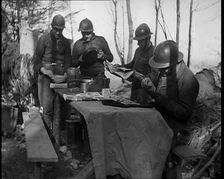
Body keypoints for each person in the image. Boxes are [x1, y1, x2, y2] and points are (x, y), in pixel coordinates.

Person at [140, 40, 199, 135]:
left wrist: (155, 95)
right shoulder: (168, 71)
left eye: (164, 68)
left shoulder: (188, 80)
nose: (161, 71)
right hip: (160, 124)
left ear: (176, 62)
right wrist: (150, 85)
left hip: (175, 132)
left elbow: (183, 114)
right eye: (160, 68)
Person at [33, 14, 72, 141]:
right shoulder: (43, 39)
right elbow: (36, 60)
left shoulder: (66, 42)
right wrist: (45, 71)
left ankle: (56, 138)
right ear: (51, 27)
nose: (58, 32)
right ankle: (46, 140)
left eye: (60, 30)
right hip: (46, 77)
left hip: (60, 78)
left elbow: (68, 62)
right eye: (56, 29)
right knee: (47, 109)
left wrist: (66, 73)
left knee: (60, 110)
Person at [120, 23, 156, 104]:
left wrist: (141, 77)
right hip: (135, 88)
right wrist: (119, 67)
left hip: (146, 91)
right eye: (137, 41)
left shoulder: (154, 53)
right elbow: (132, 64)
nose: (138, 43)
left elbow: (155, 75)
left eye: (140, 41)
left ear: (148, 39)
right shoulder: (138, 51)